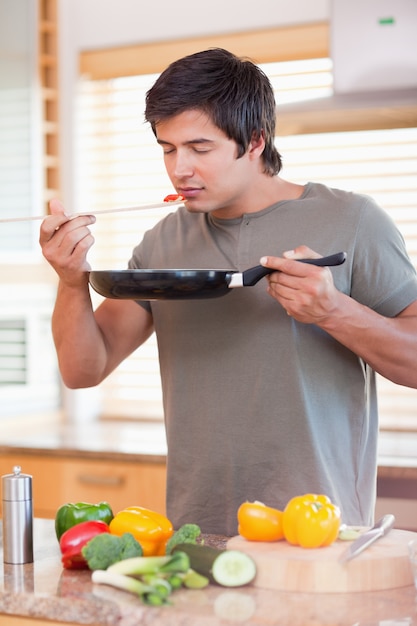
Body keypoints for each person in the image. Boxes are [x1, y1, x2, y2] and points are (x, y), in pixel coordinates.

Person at [40, 48, 417, 536]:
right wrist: (71, 282)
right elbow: (82, 369)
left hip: (319, 533)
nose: (180, 170)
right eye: (168, 148)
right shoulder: (162, 241)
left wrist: (332, 311)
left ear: (255, 140)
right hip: (197, 532)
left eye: (200, 148)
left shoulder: (354, 221)